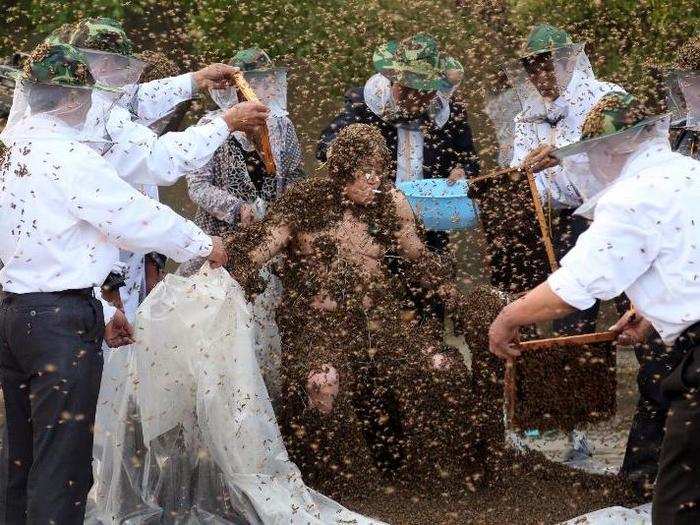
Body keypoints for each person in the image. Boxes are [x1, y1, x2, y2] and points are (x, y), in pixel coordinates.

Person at [0, 43, 228, 524]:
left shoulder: (8, 151)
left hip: (14, 316)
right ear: (66, 101)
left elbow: (40, 252)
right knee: (62, 463)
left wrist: (102, 310)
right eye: (85, 94)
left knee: (22, 452)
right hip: (58, 328)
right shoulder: (69, 157)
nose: (91, 105)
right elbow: (132, 215)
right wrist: (202, 245)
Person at [225, 123, 491, 496]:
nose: (377, 181)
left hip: (382, 323)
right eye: (368, 173)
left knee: (442, 366)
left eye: (381, 171)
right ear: (342, 172)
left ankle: (445, 474)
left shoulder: (391, 202)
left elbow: (419, 258)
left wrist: (454, 298)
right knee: (323, 382)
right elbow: (258, 251)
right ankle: (326, 486)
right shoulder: (303, 202)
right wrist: (224, 269)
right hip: (318, 328)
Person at [488, 91, 700, 524]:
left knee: (679, 505)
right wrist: (650, 311)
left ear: (613, 147)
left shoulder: (634, 197)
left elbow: (573, 288)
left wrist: (507, 317)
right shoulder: (690, 173)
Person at [508, 23, 624, 335]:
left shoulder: (608, 97)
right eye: (533, 71)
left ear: (570, 62)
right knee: (572, 323)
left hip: (620, 215)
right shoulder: (526, 118)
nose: (541, 78)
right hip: (568, 224)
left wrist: (565, 153)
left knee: (640, 313)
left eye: (548, 68)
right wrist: (526, 172)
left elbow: (624, 153)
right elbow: (520, 175)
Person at [317, 33, 479, 253]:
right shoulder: (362, 105)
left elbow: (468, 157)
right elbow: (327, 144)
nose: (413, 97)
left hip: (431, 223)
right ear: (393, 78)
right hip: (372, 223)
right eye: (406, 88)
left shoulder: (451, 112)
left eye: (421, 92)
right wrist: (351, 175)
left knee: (434, 279)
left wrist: (461, 171)